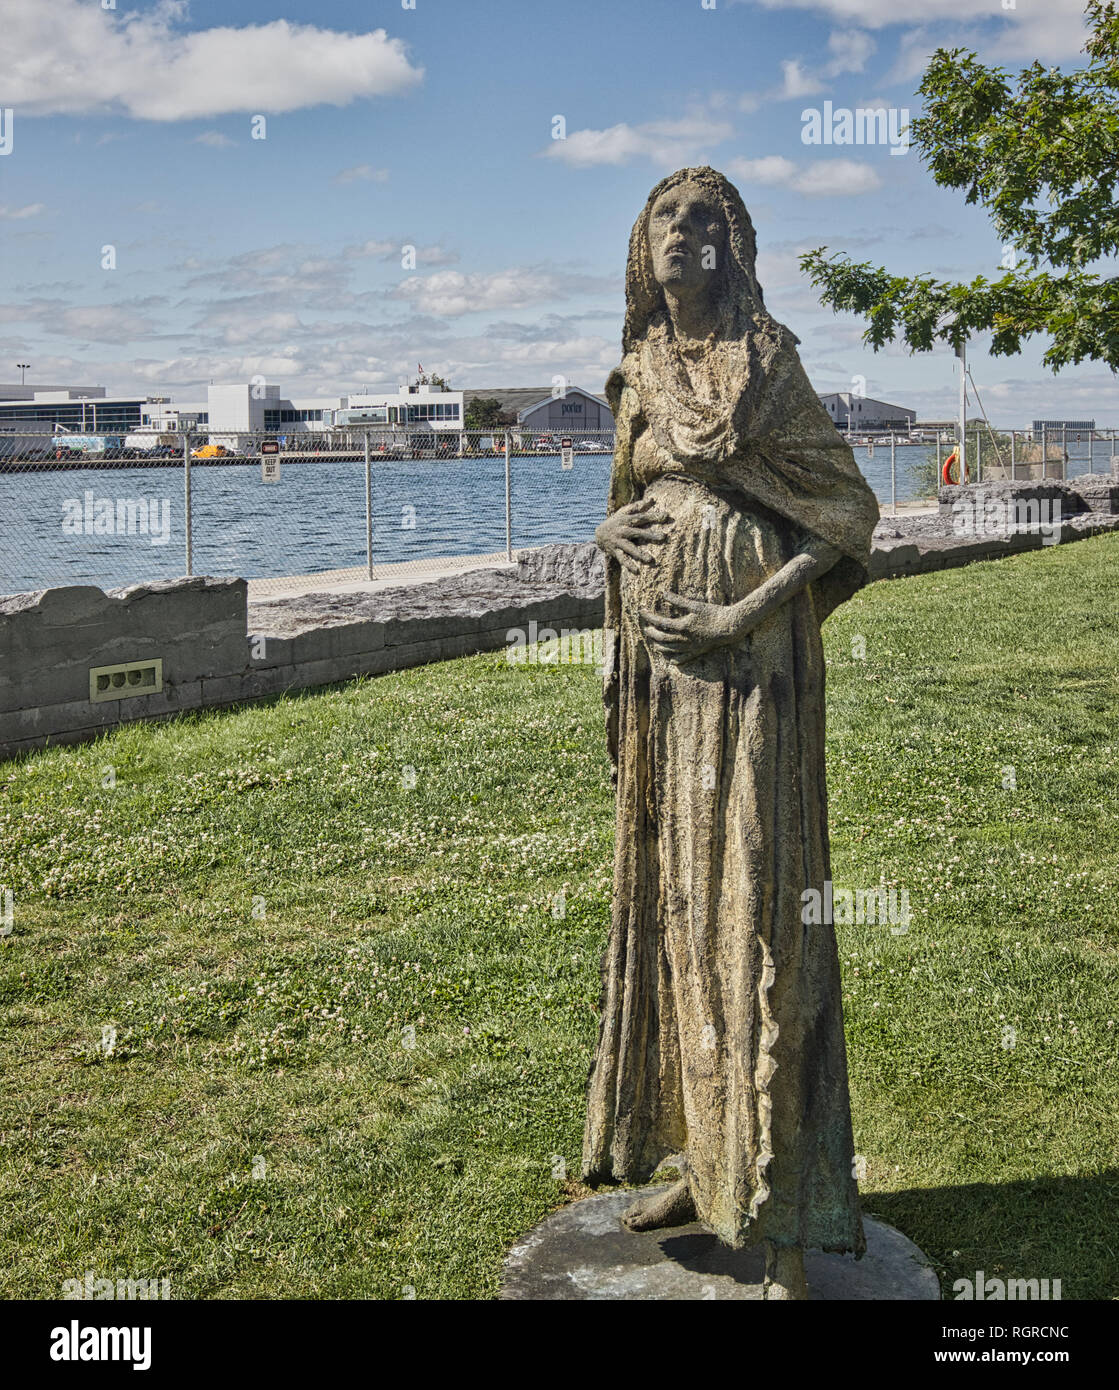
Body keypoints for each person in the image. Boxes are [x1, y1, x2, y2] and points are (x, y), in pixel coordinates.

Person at [582, 166, 880, 1300]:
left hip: (752, 678)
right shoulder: (638, 376)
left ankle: (781, 1198)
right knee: (672, 905)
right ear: (639, 244)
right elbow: (626, 499)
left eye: (705, 220)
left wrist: (737, 610)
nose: (681, 234)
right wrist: (616, 534)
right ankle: (699, 1158)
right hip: (668, 689)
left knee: (756, 911)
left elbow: (847, 515)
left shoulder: (770, 371)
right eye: (664, 216)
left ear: (734, 245)